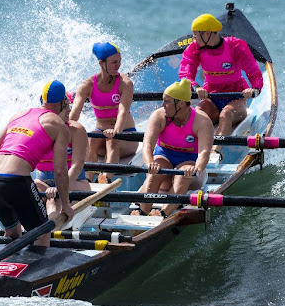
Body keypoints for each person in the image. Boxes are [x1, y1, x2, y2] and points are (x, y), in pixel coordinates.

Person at [0, 80, 74, 249]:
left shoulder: (20, 114)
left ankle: (8, 269)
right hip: (16, 182)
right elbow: (60, 171)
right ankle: (39, 272)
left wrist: (1, 184)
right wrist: (66, 206)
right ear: (63, 102)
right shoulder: (59, 125)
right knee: (41, 234)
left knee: (12, 234)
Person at [178, 13, 263, 157]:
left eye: (195, 35)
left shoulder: (234, 45)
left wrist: (254, 88)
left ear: (207, 33)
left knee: (226, 114)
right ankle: (187, 149)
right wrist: (196, 86)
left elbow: (253, 71)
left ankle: (215, 152)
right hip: (212, 94)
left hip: (235, 96)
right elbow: (185, 73)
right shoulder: (195, 48)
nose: (193, 38)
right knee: (196, 114)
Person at [132, 78, 214, 218]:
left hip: (189, 168)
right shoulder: (159, 116)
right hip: (164, 162)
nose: (162, 105)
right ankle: (142, 212)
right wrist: (149, 163)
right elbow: (147, 145)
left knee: (181, 176)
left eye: (167, 101)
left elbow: (204, 153)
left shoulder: (202, 121)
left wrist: (196, 168)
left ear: (181, 104)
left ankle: (162, 214)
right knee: (155, 171)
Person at [69, 41, 137, 183]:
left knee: (112, 142)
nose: (118, 65)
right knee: (91, 140)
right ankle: (87, 182)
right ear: (101, 63)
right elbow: (74, 114)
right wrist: (63, 131)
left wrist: (116, 131)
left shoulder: (126, 83)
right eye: (113, 62)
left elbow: (122, 112)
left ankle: (105, 181)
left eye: (119, 61)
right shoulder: (87, 85)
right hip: (101, 135)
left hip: (127, 137)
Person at [33, 95, 92, 216]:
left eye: (69, 105)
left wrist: (60, 188)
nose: (70, 110)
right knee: (41, 201)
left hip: (74, 184)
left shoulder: (76, 130)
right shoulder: (37, 129)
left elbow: (77, 165)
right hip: (43, 184)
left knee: (56, 202)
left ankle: (51, 223)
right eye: (66, 106)